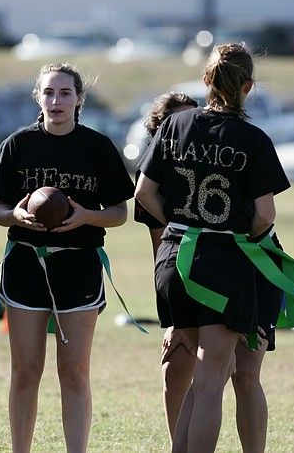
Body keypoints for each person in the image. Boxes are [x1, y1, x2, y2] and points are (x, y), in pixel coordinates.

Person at [135, 43, 290, 453]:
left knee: (197, 380)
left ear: (206, 80)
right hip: (223, 264)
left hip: (173, 261)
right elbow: (265, 214)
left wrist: (180, 225)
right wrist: (240, 237)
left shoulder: (176, 125)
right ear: (248, 86)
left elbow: (144, 192)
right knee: (208, 384)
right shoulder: (253, 139)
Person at [0, 62, 135, 453]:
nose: (56, 101)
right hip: (26, 264)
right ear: (38, 97)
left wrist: (87, 216)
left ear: (79, 99)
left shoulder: (98, 146)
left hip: (79, 264)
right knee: (25, 371)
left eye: (65, 93)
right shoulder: (17, 144)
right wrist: (15, 215)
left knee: (74, 371)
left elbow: (120, 212)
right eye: (49, 93)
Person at [131, 92, 199, 440]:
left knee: (235, 373)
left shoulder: (210, 162)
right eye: (180, 121)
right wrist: (175, 319)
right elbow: (163, 253)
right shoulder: (153, 179)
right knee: (175, 369)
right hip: (185, 280)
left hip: (231, 277)